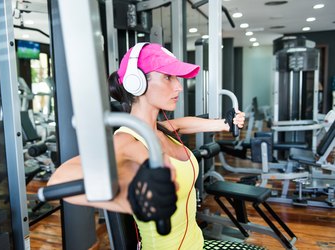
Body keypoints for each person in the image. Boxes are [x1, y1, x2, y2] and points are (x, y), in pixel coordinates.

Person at [48, 43, 247, 249]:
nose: (178, 86)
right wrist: (128, 191)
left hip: (197, 243)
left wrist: (223, 123)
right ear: (138, 83)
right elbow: (59, 180)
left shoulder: (160, 129)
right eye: (168, 77)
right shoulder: (127, 140)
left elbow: (183, 124)